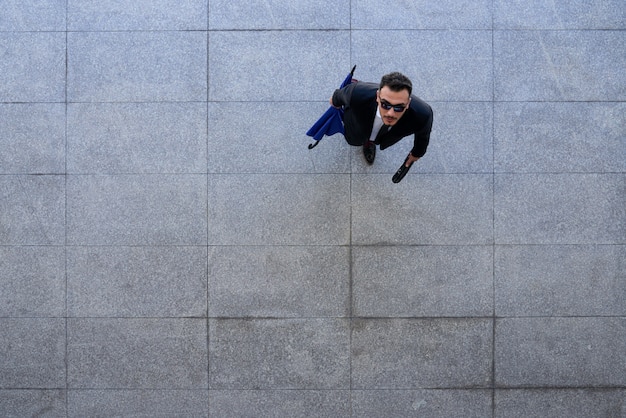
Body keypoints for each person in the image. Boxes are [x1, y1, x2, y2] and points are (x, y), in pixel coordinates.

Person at [330, 72, 433, 174]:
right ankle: (366, 141)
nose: (391, 113)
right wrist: (335, 105)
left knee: (374, 138)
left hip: (384, 135)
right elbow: (337, 97)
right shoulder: (356, 93)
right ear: (378, 96)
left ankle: (370, 142)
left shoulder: (422, 114)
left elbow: (423, 135)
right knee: (355, 140)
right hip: (358, 123)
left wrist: (417, 153)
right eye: (385, 104)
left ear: (408, 103)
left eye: (399, 107)